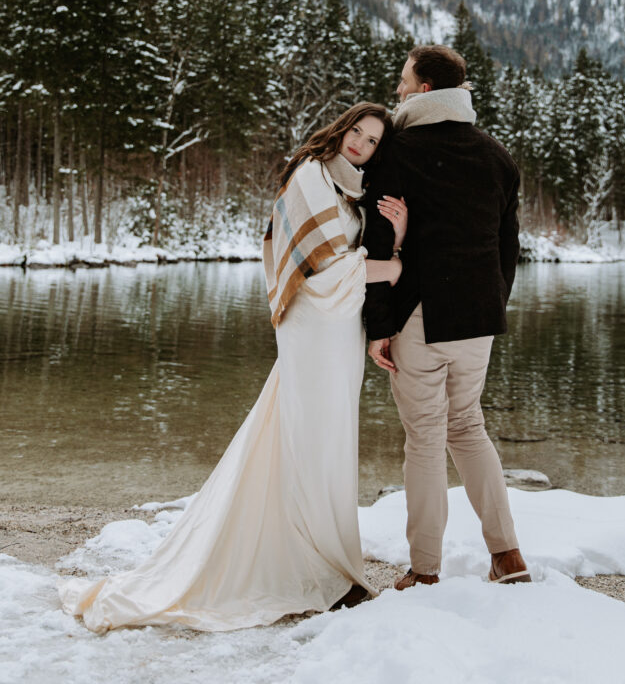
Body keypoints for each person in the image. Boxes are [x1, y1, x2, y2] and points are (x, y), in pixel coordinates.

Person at [59, 102, 406, 632]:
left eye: (373, 140)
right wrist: (397, 266)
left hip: (342, 328)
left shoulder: (351, 191)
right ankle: (310, 561)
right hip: (315, 326)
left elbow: (346, 262)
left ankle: (323, 554)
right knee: (310, 434)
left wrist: (395, 241)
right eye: (356, 131)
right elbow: (327, 268)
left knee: (325, 436)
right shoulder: (311, 174)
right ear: (340, 130)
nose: (360, 143)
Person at [363, 45, 531, 589]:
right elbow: (509, 248)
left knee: (427, 438)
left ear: (427, 89)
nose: (398, 90)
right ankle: (508, 556)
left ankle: (426, 570)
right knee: (468, 427)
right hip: (477, 317)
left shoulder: (398, 152)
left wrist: (380, 327)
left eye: (404, 81)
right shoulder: (497, 155)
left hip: (420, 314)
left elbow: (380, 244)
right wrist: (490, 303)